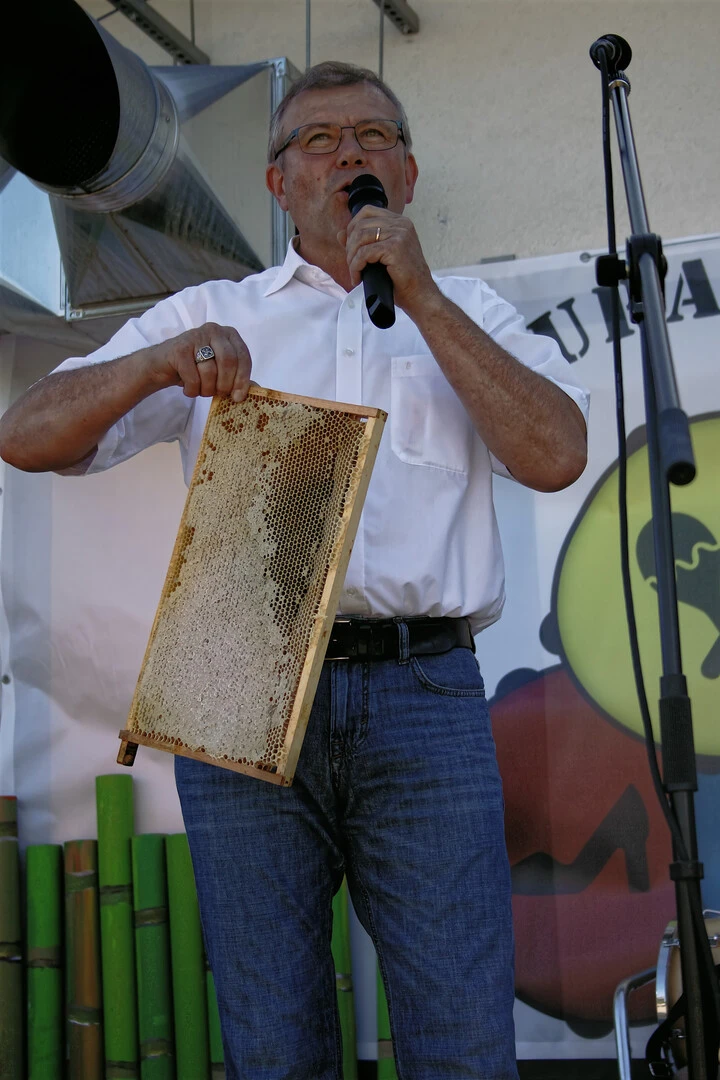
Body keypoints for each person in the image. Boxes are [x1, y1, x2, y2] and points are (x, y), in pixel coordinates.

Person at [0, 61, 588, 1080]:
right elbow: (25, 432)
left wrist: (422, 297)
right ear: (278, 183)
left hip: (424, 691)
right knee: (273, 1039)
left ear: (407, 173)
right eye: (320, 139)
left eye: (373, 136)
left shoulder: (470, 310)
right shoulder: (213, 310)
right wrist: (155, 363)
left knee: (462, 1034)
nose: (349, 153)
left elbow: (558, 453)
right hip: (242, 683)